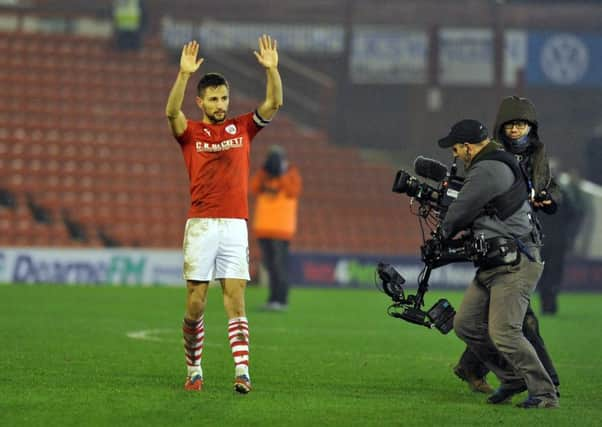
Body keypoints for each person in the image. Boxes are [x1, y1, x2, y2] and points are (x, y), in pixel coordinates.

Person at [165, 35, 283, 393]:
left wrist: (272, 69)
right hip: (201, 225)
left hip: (234, 225)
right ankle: (194, 369)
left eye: (224, 98)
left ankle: (243, 371)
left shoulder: (243, 127)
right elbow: (172, 113)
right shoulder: (191, 133)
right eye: (214, 99)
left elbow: (275, 102)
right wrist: (184, 76)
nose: (220, 104)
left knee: (235, 297)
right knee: (196, 302)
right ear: (200, 101)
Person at [439, 119, 559, 409]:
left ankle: (544, 393)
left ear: (468, 147)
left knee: (505, 332)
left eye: (456, 148)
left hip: (516, 262)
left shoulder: (488, 168)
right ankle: (512, 378)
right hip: (494, 263)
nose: (455, 154)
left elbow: (461, 209)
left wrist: (442, 234)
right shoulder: (490, 164)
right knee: (466, 325)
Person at [250, 145, 302, 311]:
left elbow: (293, 191)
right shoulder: (264, 174)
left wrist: (282, 173)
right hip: (264, 228)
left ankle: (282, 300)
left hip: (281, 229)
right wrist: (264, 171)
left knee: (280, 266)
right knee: (270, 266)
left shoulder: (291, 174)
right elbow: (253, 188)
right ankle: (273, 300)